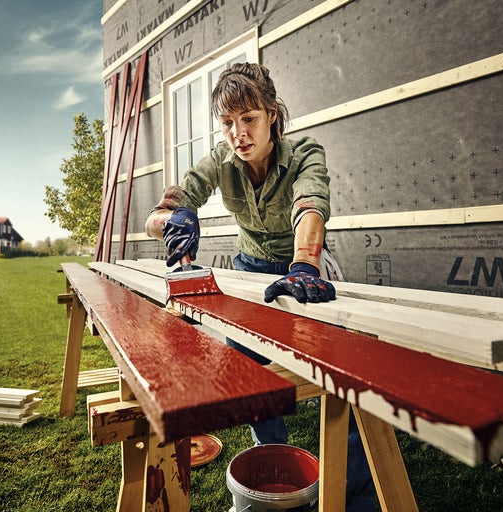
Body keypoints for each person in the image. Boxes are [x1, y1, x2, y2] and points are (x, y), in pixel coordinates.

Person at [145, 62, 375, 511]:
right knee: (251, 375)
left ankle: (355, 492)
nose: (238, 133)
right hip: (250, 271)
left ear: (272, 114)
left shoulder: (307, 151)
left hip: (304, 268)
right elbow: (161, 211)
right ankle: (273, 468)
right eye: (227, 123)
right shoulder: (219, 159)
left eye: (248, 119)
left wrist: (305, 264)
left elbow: (310, 205)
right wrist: (174, 219)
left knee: (341, 378)